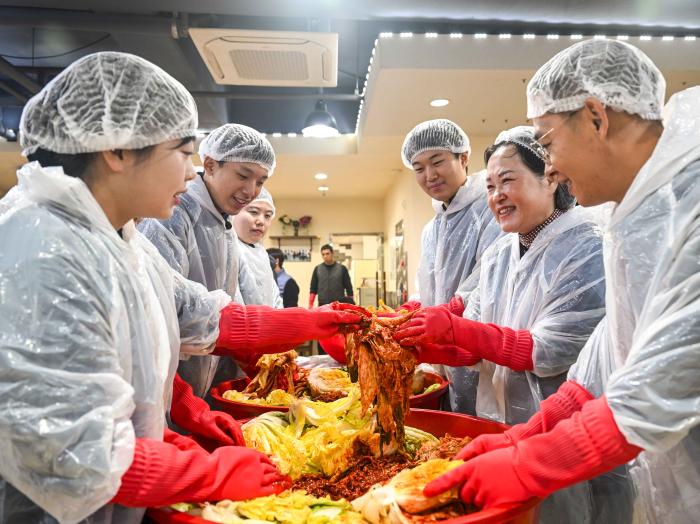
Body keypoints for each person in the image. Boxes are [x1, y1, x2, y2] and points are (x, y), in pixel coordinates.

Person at [0, 51, 288, 524]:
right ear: (117, 151)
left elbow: (186, 321)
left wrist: (173, 426)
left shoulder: (115, 238)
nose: (193, 172)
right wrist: (210, 474)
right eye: (183, 152)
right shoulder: (44, 249)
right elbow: (71, 452)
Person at [422, 39, 700, 524]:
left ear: (596, 117)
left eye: (547, 143)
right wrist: (522, 435)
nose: (550, 166)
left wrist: (530, 464)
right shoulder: (634, 215)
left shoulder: (688, 204)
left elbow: (664, 382)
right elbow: (604, 361)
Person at [396, 126, 613, 522]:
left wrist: (453, 327)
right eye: (491, 185)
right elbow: (479, 343)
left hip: (570, 434)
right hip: (508, 423)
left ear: (550, 178)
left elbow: (549, 350)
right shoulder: (502, 253)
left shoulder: (585, 245)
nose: (495, 196)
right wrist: (422, 347)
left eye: (508, 181)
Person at [138, 123, 275, 398]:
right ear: (210, 165)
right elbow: (169, 309)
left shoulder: (222, 224)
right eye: (244, 175)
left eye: (260, 181)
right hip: (165, 388)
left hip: (200, 386)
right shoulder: (176, 212)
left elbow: (224, 300)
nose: (251, 190)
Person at [400, 119, 502, 414]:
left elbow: (490, 278)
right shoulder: (432, 228)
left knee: (481, 423)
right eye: (418, 168)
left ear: (464, 157)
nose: (429, 175)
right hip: (441, 355)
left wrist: (454, 310)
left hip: (479, 348)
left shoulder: (489, 207)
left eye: (437, 162)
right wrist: (411, 310)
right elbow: (429, 286)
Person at [234, 187, 283, 308]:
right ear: (234, 212)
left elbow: (274, 298)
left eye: (267, 216)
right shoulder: (228, 250)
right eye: (254, 212)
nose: (261, 221)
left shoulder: (262, 254)